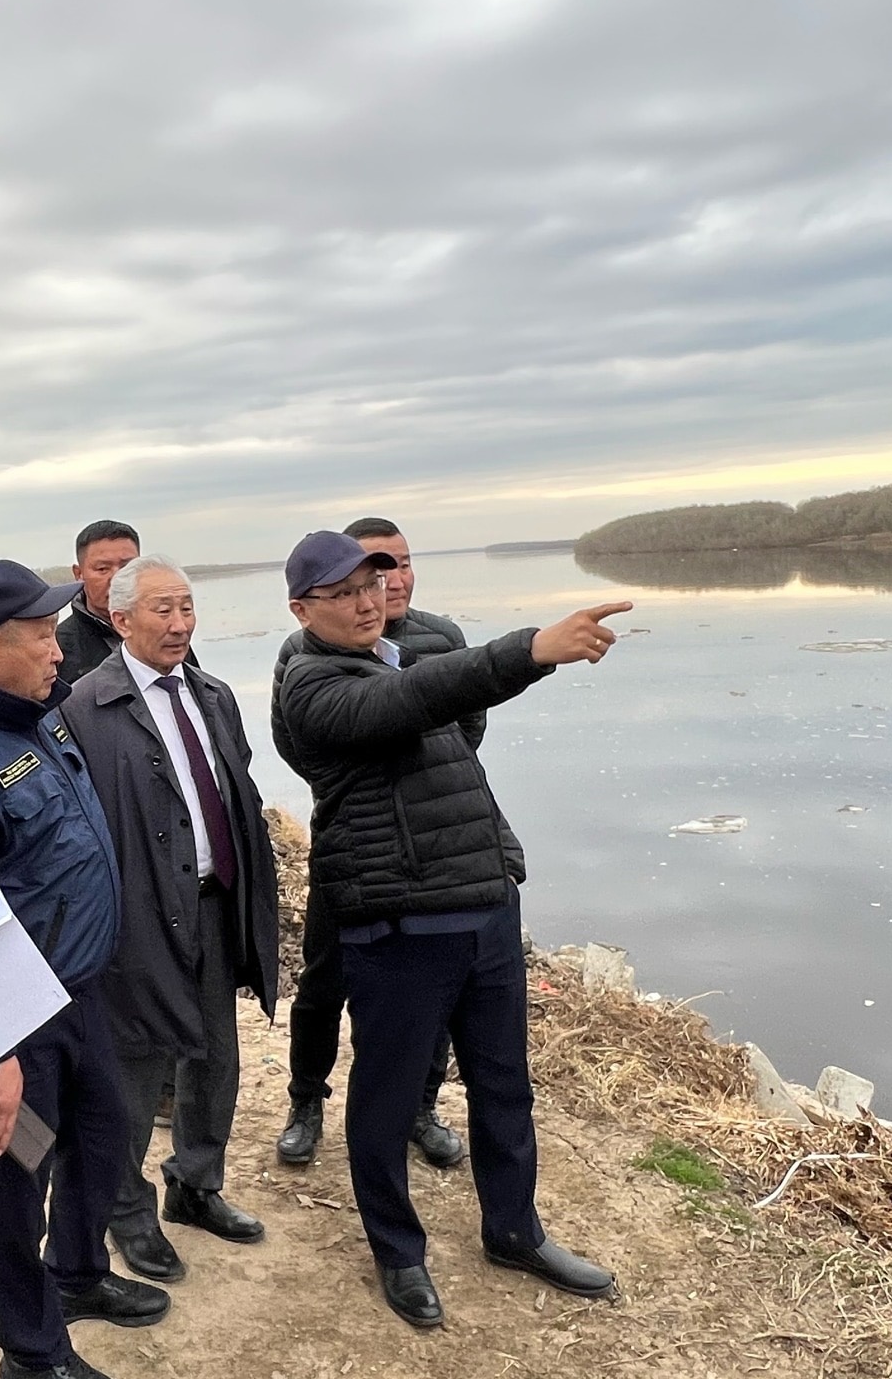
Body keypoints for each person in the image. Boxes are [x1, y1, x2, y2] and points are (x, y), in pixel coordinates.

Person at [272, 529, 628, 1328]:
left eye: (375, 583)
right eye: (346, 592)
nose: (369, 601)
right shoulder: (313, 684)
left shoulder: (397, 659)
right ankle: (398, 1253)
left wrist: (501, 865)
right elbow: (420, 700)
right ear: (302, 609)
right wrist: (536, 648)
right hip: (398, 927)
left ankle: (514, 1230)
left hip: (483, 910)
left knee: (505, 1088)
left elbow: (452, 728)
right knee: (387, 1101)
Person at [0, 560, 171, 1379]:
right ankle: (31, 1353)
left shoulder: (40, 720)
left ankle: (78, 1273)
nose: (59, 650)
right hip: (14, 1019)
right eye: (42, 634)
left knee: (104, 1135)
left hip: (82, 995)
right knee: (15, 1177)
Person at [63, 554, 280, 1283]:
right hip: (144, 916)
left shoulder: (214, 694)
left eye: (187, 607)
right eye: (162, 609)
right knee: (137, 1070)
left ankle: (197, 1183)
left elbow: (233, 787)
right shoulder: (85, 709)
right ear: (120, 620)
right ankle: (129, 1211)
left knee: (217, 1057)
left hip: (219, 906)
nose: (180, 623)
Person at [278, 516, 476, 1172]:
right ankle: (305, 1102)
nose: (386, 581)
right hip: (351, 845)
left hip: (431, 852)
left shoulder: (439, 637)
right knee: (322, 981)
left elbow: (466, 728)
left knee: (435, 989)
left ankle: (422, 1107)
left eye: (399, 563)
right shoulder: (302, 651)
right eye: (369, 570)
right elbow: (296, 743)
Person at [54, 519, 139, 682]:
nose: (117, 578)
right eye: (102, 569)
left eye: (128, 568)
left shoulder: (163, 632)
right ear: (78, 574)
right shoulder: (58, 649)